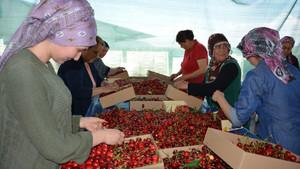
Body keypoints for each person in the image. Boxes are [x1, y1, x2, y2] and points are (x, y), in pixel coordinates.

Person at [0, 1, 125, 169]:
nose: (77, 58)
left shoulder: (42, 65)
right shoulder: (23, 70)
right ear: (61, 35)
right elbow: (54, 146)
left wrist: (80, 122)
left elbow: (40, 119)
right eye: (79, 49)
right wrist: (100, 137)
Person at [212, 27, 300, 155]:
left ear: (253, 52)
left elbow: (237, 119)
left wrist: (219, 97)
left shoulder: (256, 75)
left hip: (278, 147)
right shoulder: (294, 70)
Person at [174, 33, 241, 111]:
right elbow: (204, 85)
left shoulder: (231, 66)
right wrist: (184, 93)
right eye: (218, 47)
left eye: (225, 46)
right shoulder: (213, 66)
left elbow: (215, 88)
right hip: (216, 111)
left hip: (230, 114)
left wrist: (187, 85)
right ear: (212, 50)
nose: (222, 50)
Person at [58, 36, 119, 117]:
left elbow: (98, 80)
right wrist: (104, 89)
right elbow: (78, 91)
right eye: (95, 52)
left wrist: (105, 84)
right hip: (75, 113)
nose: (97, 56)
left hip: (88, 107)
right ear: (84, 49)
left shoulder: (89, 63)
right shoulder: (72, 66)